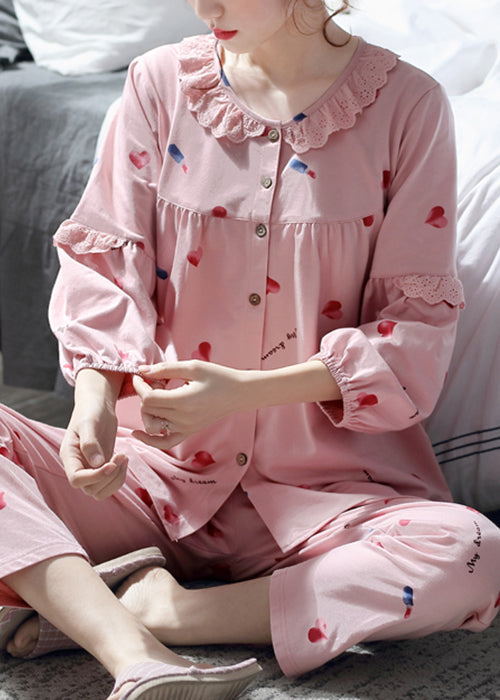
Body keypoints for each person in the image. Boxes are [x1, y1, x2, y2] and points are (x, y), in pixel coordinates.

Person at [1, 0, 499, 698]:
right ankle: (130, 650)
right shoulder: (160, 82)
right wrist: (95, 402)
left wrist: (243, 395)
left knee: (473, 553)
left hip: (326, 498)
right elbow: (108, 264)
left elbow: (414, 329)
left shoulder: (409, 107)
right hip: (154, 479)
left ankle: (159, 612)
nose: (206, 7)